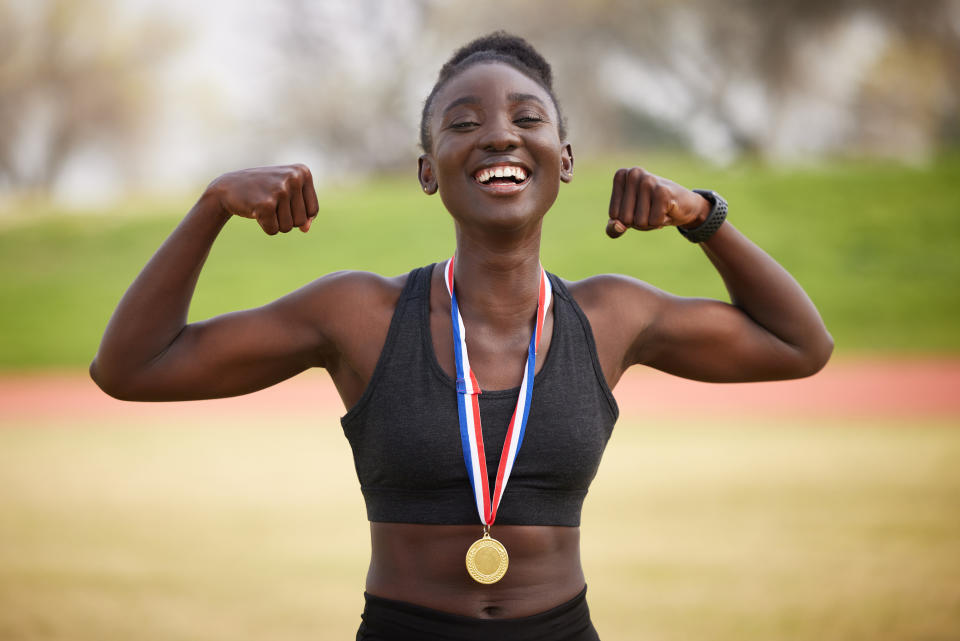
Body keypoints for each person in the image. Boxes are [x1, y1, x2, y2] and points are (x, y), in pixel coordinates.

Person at [90, 32, 833, 641]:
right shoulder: (360, 315)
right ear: (427, 169)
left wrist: (703, 215)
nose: (499, 135)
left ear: (565, 160)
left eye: (528, 118)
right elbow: (131, 366)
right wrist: (213, 203)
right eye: (465, 122)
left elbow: (801, 345)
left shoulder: (610, 317)